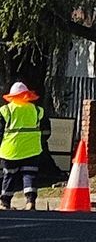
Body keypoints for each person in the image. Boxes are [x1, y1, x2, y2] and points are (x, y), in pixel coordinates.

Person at [1, 81, 50, 211]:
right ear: (27, 95)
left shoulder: (5, 110)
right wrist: (40, 140)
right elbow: (46, 131)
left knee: (9, 176)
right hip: (32, 149)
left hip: (11, 149)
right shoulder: (37, 110)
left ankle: (5, 202)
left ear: (11, 96)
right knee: (30, 175)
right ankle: (30, 202)